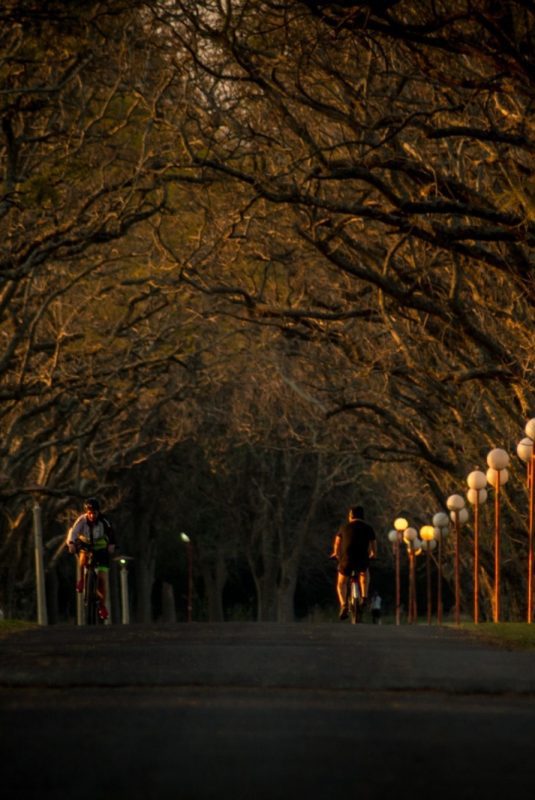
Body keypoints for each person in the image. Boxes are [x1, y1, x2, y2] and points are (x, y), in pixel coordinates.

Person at [66, 497, 116, 621]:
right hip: (85, 545)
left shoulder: (104, 521)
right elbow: (73, 532)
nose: (92, 515)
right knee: (82, 556)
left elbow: (111, 534)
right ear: (86, 512)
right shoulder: (81, 520)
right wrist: (71, 543)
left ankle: (102, 606)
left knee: (102, 580)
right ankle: (82, 580)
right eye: (89, 513)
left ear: (98, 512)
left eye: (94, 513)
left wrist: (112, 545)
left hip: (101, 548)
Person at [330, 505, 377, 620]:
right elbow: (373, 545)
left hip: (347, 559)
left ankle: (343, 605)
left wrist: (335, 554)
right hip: (362, 559)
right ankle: (364, 597)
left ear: (350, 516)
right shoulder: (368, 528)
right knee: (365, 573)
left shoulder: (344, 527)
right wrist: (374, 554)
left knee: (341, 583)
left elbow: (337, 543)